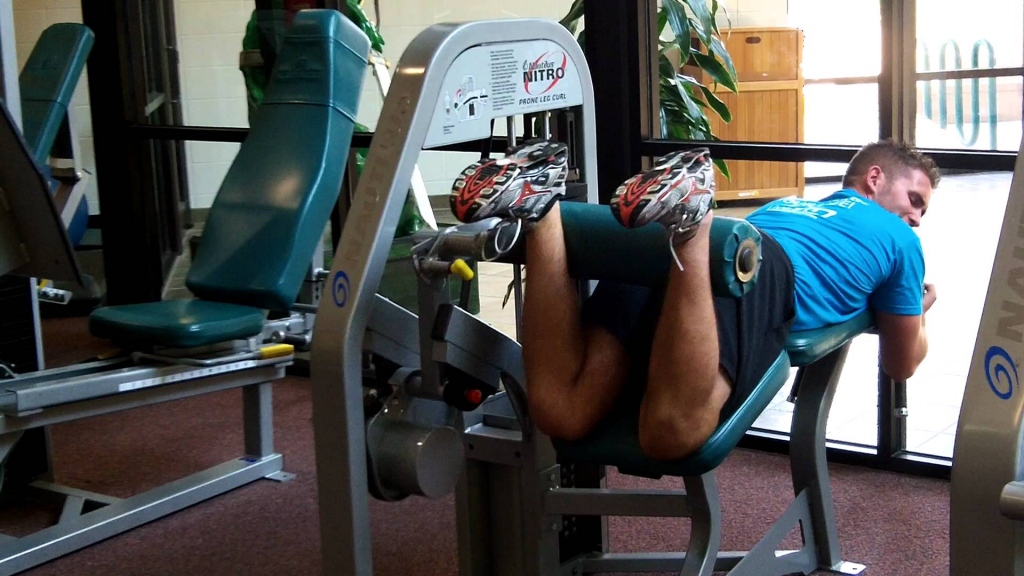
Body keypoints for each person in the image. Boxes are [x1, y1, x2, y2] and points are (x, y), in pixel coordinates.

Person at [449, 138, 940, 461]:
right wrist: (918, 312)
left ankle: (543, 206)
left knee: (562, 412)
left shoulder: (788, 206)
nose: (917, 218)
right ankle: (692, 225)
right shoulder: (900, 240)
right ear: (874, 179)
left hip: (672, 251)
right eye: (915, 200)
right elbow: (901, 363)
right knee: (669, 433)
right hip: (746, 267)